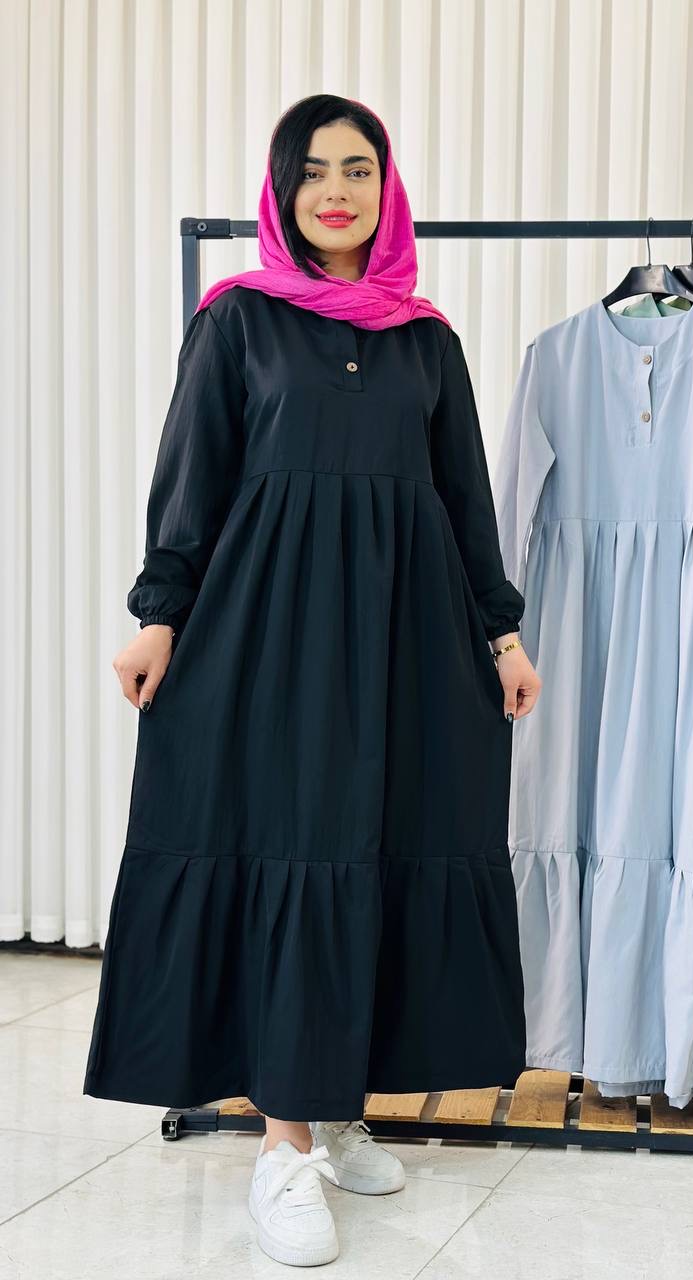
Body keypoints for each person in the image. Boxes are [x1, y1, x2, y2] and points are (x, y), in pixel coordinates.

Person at [82, 93, 542, 1268]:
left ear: (389, 188)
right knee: (294, 848)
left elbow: (464, 499)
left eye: (359, 169)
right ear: (282, 189)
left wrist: (501, 638)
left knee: (378, 848)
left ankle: (335, 1109)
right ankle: (283, 1144)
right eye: (313, 170)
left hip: (403, 637)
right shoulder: (238, 320)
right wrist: (158, 616)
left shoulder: (427, 340)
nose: (336, 190)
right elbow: (191, 478)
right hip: (269, 635)